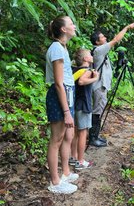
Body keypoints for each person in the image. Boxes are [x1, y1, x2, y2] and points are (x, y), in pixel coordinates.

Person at [45, 16, 79, 194]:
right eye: (71, 23)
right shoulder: (56, 48)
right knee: (56, 139)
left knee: (67, 136)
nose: (74, 26)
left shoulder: (62, 47)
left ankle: (65, 173)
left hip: (68, 94)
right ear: (64, 30)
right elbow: (58, 83)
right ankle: (55, 182)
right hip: (60, 96)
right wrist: (66, 111)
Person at [89, 22, 134, 147]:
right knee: (97, 111)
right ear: (97, 42)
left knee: (99, 110)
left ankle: (95, 135)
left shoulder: (100, 50)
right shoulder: (99, 50)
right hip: (98, 86)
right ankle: (92, 138)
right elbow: (116, 39)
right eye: (102, 37)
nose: (105, 38)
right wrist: (126, 27)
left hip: (101, 86)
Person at [70, 48, 100, 169]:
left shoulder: (76, 70)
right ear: (85, 59)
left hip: (76, 104)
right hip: (83, 105)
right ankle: (80, 161)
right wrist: (95, 78)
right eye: (89, 55)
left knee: (77, 132)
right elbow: (82, 82)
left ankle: (73, 158)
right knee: (83, 133)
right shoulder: (86, 70)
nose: (92, 56)